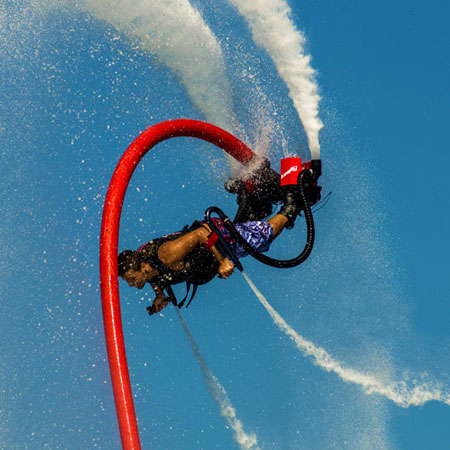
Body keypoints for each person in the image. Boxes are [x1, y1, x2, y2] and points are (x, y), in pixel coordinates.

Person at [118, 189, 300, 315]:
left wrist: (222, 262)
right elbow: (153, 279)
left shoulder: (166, 255)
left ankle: (291, 206)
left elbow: (200, 234)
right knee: (250, 231)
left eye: (132, 279)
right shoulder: (148, 272)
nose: (132, 285)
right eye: (129, 282)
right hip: (212, 254)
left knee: (261, 238)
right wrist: (159, 296)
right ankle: (252, 201)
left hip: (219, 239)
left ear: (142, 266)